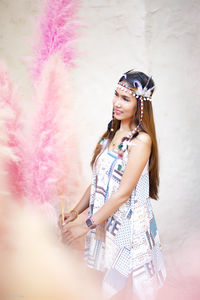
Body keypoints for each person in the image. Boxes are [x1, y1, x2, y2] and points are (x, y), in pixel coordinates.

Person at [58, 70, 166, 300]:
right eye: (116, 95)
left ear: (141, 106)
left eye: (125, 98)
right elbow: (97, 182)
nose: (117, 103)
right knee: (102, 287)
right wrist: (76, 212)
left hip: (127, 230)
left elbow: (121, 195)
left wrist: (83, 226)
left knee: (126, 290)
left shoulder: (141, 141)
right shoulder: (110, 136)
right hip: (104, 224)